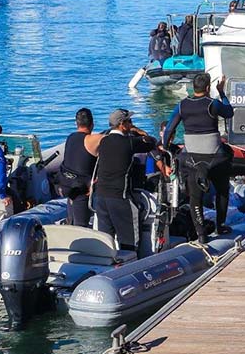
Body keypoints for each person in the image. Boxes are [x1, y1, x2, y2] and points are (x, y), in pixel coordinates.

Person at [163, 73, 234, 244]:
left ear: (192, 87)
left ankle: (201, 234)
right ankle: (221, 225)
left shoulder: (182, 105)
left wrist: (165, 147)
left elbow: (169, 129)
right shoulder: (213, 104)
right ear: (208, 88)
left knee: (195, 197)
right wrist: (222, 93)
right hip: (215, 157)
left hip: (192, 159)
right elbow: (229, 112)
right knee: (222, 191)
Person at [92, 109, 157, 252]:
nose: (132, 124)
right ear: (122, 124)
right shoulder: (129, 142)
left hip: (101, 197)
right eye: (130, 122)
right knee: (129, 241)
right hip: (120, 198)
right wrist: (138, 131)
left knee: (106, 240)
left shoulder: (103, 142)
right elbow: (151, 142)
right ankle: (131, 265)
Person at [58, 108, 103, 227]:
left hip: (67, 184)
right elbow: (112, 137)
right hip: (82, 190)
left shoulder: (71, 137)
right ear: (92, 124)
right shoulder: (92, 139)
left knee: (72, 219)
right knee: (80, 226)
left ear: (76, 123)